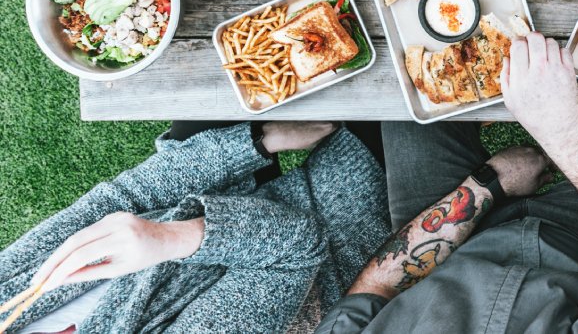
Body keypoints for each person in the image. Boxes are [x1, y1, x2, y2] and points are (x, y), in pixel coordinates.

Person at [314, 31, 578, 333]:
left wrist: (488, 184)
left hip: (442, 248)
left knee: (413, 71)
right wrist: (562, 134)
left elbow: (375, 289)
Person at [0, 122, 388, 334]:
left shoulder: (6, 296)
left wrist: (258, 142)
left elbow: (125, 197)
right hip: (339, 217)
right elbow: (298, 247)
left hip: (232, 194)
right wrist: (166, 238)